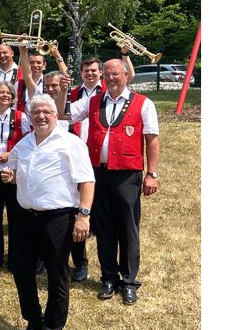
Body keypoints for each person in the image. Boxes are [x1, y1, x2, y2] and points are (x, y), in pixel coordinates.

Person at [1, 95, 95, 330]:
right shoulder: (24, 143)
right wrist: (11, 176)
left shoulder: (71, 143)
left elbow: (87, 181)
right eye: (36, 112)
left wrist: (83, 215)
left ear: (55, 115)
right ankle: (34, 321)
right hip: (25, 216)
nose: (41, 116)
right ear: (30, 117)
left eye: (46, 112)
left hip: (58, 218)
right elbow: (13, 173)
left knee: (56, 276)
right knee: (21, 269)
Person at [62, 58, 159, 305]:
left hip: (127, 174)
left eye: (115, 74)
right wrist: (63, 90)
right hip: (98, 173)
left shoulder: (143, 103)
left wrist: (152, 173)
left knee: (127, 228)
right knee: (103, 227)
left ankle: (129, 281)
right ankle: (108, 277)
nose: (111, 79)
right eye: (107, 75)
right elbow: (65, 114)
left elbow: (152, 139)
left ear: (126, 75)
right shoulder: (94, 101)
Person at [0, 82, 30, 273]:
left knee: (16, 217)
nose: (4, 96)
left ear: (12, 96)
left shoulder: (20, 117)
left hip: (13, 172)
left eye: (8, 93)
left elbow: (28, 140)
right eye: (1, 92)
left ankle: (15, 259)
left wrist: (11, 154)